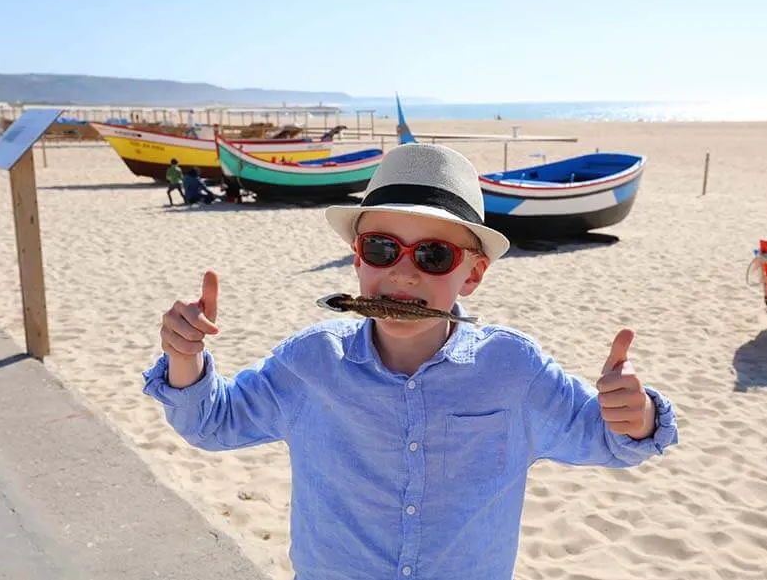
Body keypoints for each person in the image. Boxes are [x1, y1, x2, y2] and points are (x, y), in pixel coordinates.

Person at [143, 143, 679, 580]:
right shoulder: (311, 361)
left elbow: (611, 440)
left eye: (433, 255)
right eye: (381, 249)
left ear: (471, 274)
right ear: (357, 259)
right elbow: (211, 423)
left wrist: (637, 416)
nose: (403, 274)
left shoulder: (514, 370)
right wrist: (184, 357)